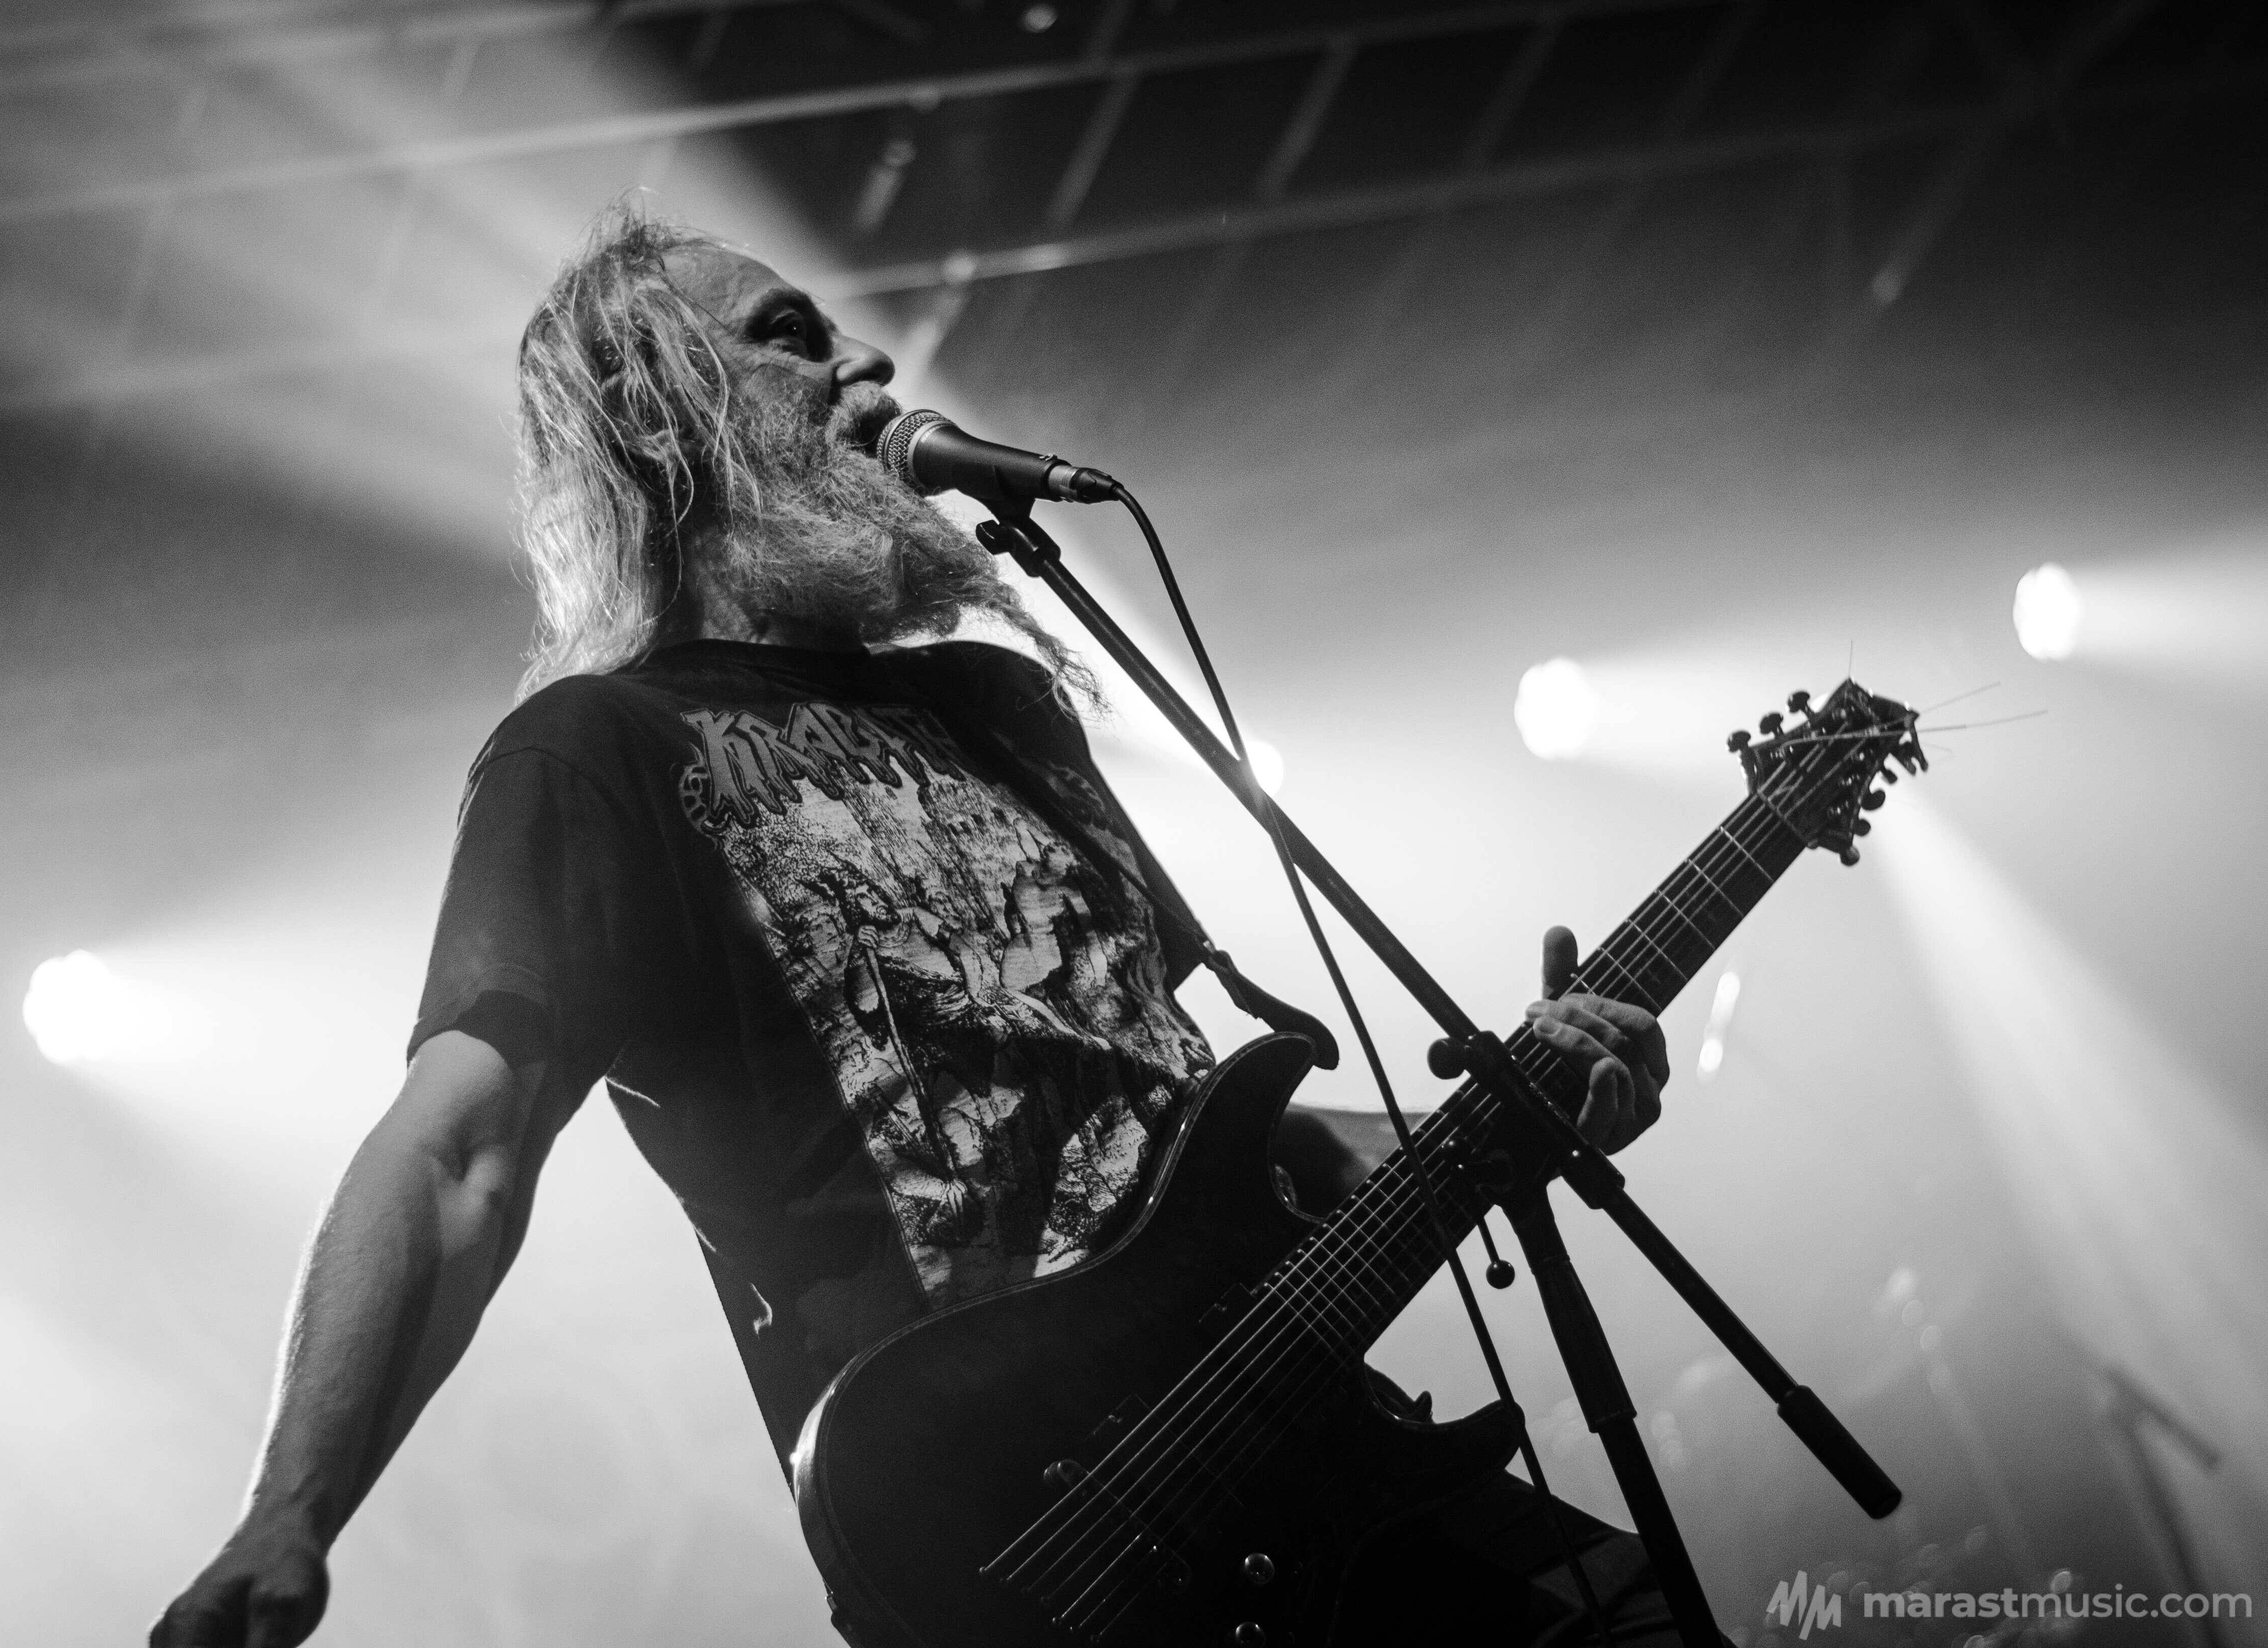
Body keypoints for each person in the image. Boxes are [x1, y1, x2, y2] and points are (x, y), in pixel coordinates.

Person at [150, 208, 1673, 1648]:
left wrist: (1512, 1106)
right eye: (790, 334)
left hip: (1316, 1455)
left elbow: (1195, 1126)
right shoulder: (598, 752)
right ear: (661, 418)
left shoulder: (1005, 707)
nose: (868, 363)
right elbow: (457, 1154)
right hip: (1023, 1538)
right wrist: (291, 1512)